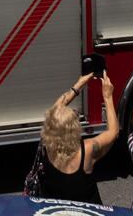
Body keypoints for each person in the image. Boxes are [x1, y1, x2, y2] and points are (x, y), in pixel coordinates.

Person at [26, 66, 119, 202]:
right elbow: (113, 132)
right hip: (87, 214)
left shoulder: (46, 144)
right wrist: (108, 97)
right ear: (74, 129)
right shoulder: (87, 150)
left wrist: (78, 85)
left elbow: (56, 108)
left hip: (57, 210)